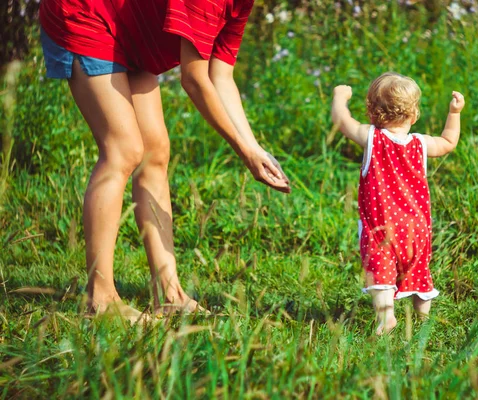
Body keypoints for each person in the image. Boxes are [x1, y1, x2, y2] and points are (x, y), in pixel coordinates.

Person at [39, 0, 290, 322]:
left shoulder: (240, 4)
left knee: (155, 153)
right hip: (86, 14)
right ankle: (99, 299)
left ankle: (169, 294)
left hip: (132, 32)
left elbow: (221, 77)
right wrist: (244, 151)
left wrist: (255, 147)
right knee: (123, 150)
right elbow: (195, 80)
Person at [331, 72, 465, 335]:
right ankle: (423, 320)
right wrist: (454, 112)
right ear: (414, 115)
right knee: (419, 272)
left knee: (381, 275)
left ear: (372, 113)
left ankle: (387, 318)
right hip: (417, 230)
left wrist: (339, 97)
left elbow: (341, 121)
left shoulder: (372, 138)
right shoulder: (420, 144)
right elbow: (449, 142)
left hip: (382, 228)